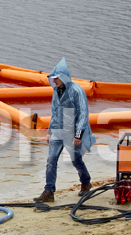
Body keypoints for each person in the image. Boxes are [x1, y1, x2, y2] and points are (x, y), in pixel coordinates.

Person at [34, 58, 96, 204]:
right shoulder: (56, 91)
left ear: (63, 77)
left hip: (72, 131)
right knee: (51, 161)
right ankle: (49, 191)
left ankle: (86, 182)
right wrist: (50, 130)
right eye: (53, 79)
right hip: (58, 131)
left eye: (56, 79)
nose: (54, 81)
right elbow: (55, 111)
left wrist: (78, 134)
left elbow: (83, 113)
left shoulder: (76, 91)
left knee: (76, 160)